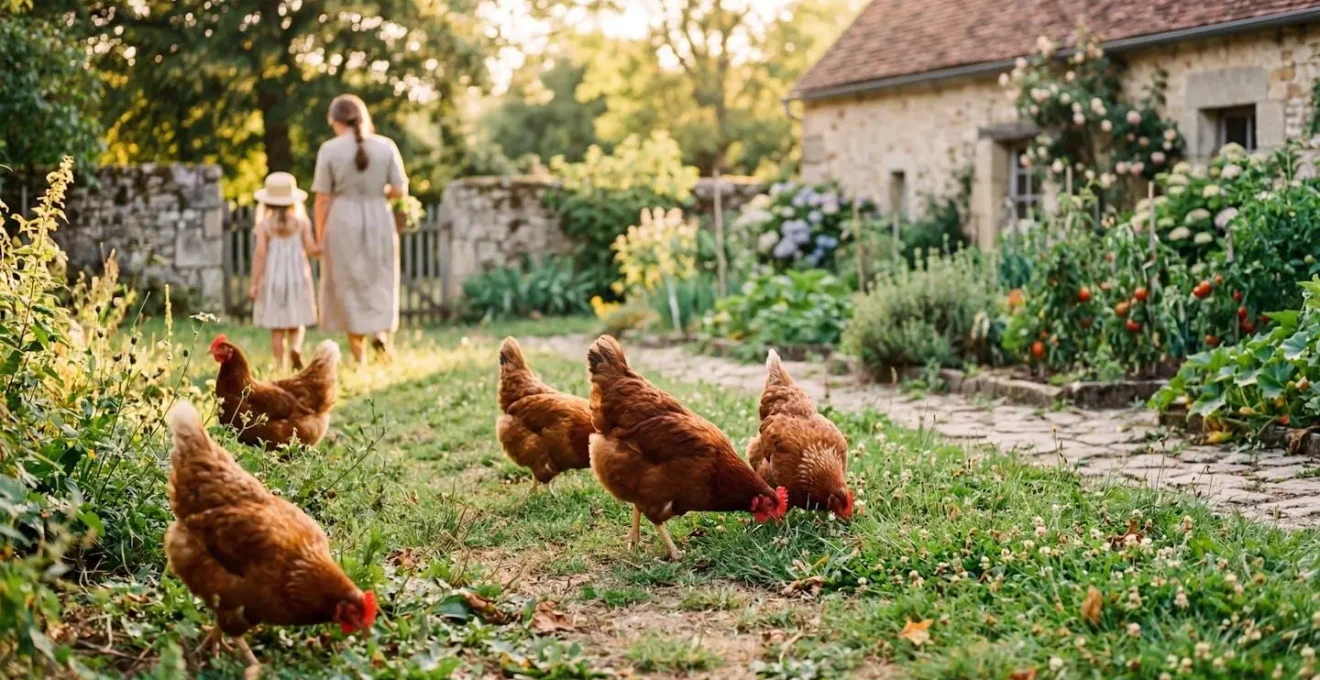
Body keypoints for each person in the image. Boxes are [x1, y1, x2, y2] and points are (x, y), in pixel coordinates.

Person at [312, 94, 409, 364]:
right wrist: (379, 194)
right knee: (379, 279)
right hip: (379, 216)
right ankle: (381, 334)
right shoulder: (386, 146)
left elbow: (321, 198)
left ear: (334, 120)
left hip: (343, 219)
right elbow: (401, 189)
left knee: (349, 283)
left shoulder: (329, 150)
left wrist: (321, 237)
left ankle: (359, 356)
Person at [249, 172, 320, 371]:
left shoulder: (264, 225)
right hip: (298, 277)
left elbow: (260, 254)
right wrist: (325, 247)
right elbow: (312, 250)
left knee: (277, 326)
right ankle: (296, 348)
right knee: (296, 321)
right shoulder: (302, 222)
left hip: (273, 280)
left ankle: (281, 365)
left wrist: (254, 284)